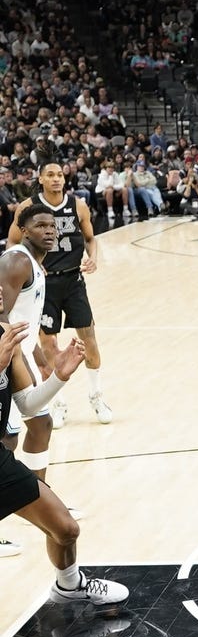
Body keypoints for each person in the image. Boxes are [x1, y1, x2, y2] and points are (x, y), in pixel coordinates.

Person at [0, 310, 128, 606]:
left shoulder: (7, 335)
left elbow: (28, 405)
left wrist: (58, 376)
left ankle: (69, 586)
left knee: (66, 530)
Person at [9, 164, 110, 428]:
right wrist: (30, 261)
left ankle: (96, 395)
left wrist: (93, 258)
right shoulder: (27, 208)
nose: (56, 179)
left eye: (60, 175)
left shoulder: (78, 206)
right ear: (40, 178)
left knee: (89, 341)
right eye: (51, 175)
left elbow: (90, 238)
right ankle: (58, 402)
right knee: (49, 346)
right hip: (45, 284)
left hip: (74, 279)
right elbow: (12, 242)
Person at [1, 205, 60, 485]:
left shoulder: (35, 263)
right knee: (7, 439)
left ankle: (39, 495)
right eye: (40, 226)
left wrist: (39, 358)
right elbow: (1, 318)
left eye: (52, 225)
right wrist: (17, 361)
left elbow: (24, 318)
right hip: (7, 359)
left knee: (41, 424)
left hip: (21, 355)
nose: (48, 230)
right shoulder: (17, 262)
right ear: (23, 231)